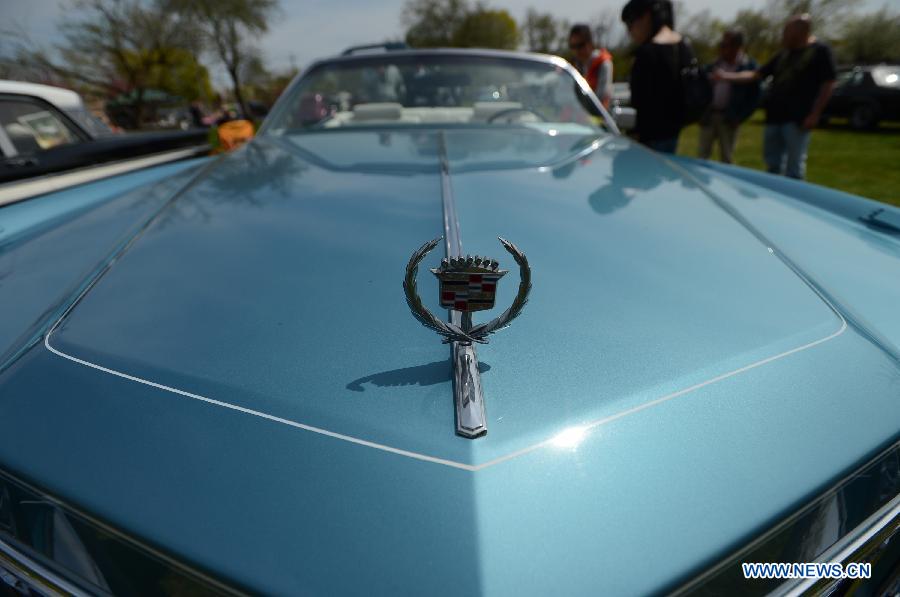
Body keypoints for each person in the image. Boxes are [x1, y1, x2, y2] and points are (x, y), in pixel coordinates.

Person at [713, 14, 836, 179]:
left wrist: (815, 114)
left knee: (794, 168)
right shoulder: (784, 54)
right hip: (775, 117)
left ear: (801, 32)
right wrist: (726, 76)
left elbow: (829, 83)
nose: (783, 36)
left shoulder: (820, 52)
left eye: (787, 31)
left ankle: (792, 201)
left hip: (798, 118)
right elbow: (756, 74)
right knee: (772, 165)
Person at [621, 0, 695, 153]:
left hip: (649, 138)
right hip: (675, 131)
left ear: (646, 17)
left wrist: (634, 133)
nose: (630, 32)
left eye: (630, 24)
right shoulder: (684, 46)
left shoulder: (646, 54)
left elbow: (639, 102)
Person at [698, 30, 759, 163]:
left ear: (737, 46)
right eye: (721, 44)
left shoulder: (748, 66)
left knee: (726, 158)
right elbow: (700, 87)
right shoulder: (714, 65)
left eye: (725, 44)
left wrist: (740, 116)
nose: (721, 48)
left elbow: (755, 97)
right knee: (702, 156)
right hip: (709, 116)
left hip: (730, 119)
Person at [568, 24, 614, 108]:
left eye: (580, 45)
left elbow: (603, 96)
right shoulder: (573, 66)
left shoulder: (603, 64)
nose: (577, 50)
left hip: (597, 116)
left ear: (590, 43)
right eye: (573, 46)